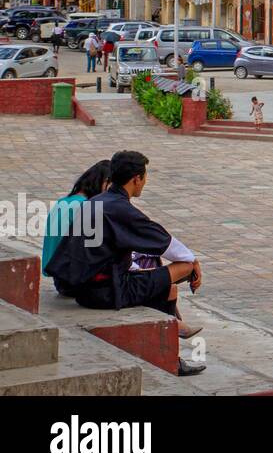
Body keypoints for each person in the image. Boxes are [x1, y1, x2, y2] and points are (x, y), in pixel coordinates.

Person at [44, 151, 206, 375]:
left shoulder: (95, 202)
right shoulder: (120, 209)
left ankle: (173, 350)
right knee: (183, 268)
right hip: (107, 292)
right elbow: (163, 241)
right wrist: (194, 263)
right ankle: (171, 356)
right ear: (136, 179)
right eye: (145, 177)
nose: (145, 182)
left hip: (84, 288)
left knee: (167, 288)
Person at [42, 160, 113, 288]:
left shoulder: (62, 202)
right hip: (74, 279)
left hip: (59, 278)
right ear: (105, 182)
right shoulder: (86, 207)